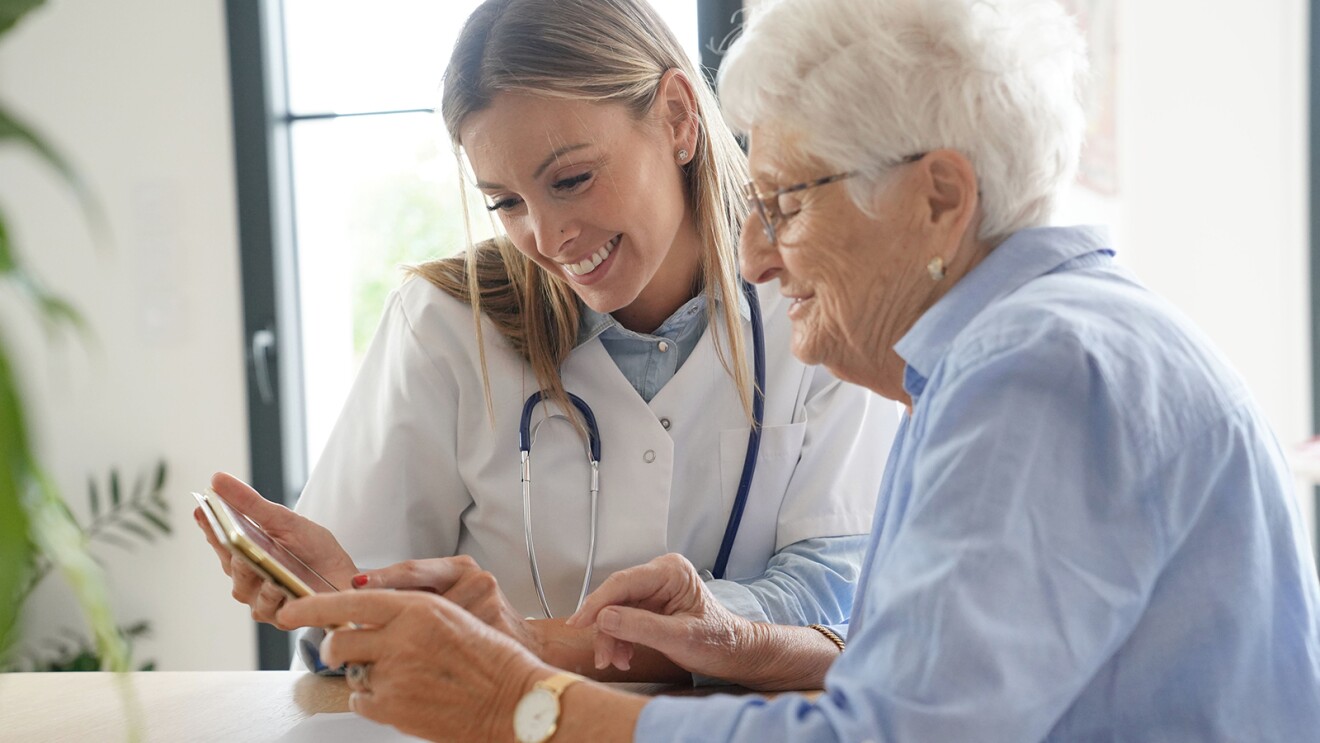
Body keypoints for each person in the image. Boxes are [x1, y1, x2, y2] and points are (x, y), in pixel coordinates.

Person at [276, 0, 1320, 739]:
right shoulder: (1037, 346)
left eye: (785, 202)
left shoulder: (1036, 375)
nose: (760, 254)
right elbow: (945, 682)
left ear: (939, 199)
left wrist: (523, 703)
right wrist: (741, 640)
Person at [197, 0, 896, 680]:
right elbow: (351, 619)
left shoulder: (809, 298)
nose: (548, 235)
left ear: (678, 118)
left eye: (572, 179)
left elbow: (836, 595)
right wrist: (328, 604)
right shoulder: (443, 324)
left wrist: (545, 640)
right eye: (505, 201)